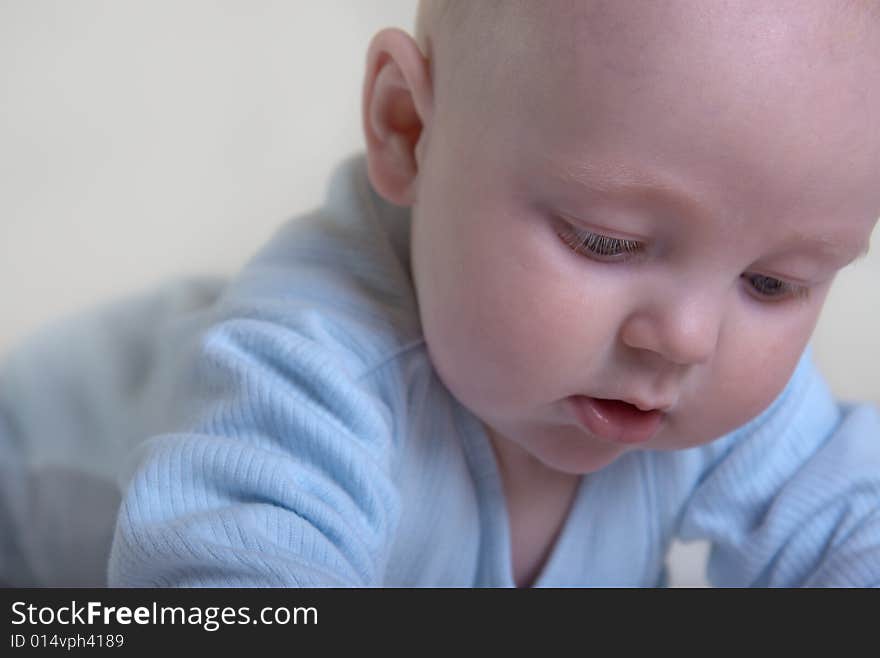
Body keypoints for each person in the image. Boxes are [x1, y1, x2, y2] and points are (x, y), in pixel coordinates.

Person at [2, 0, 879, 587]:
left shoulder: (706, 377)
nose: (687, 339)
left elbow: (856, 521)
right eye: (606, 240)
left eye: (776, 283)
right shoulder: (306, 372)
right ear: (409, 128)